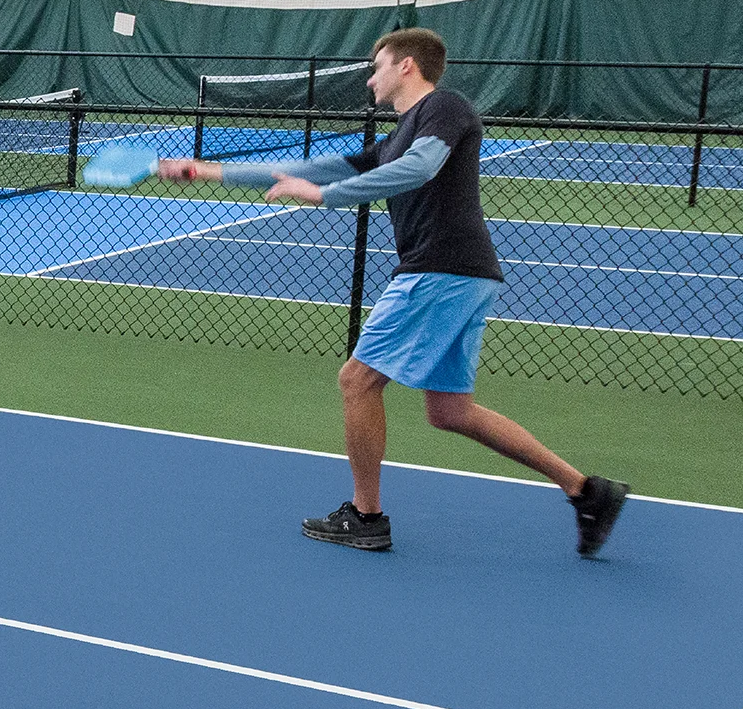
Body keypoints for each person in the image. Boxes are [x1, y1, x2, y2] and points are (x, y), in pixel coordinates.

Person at [155, 28, 628, 554]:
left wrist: (326, 196)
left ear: (406, 66)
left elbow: (418, 169)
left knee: (357, 381)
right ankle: (587, 491)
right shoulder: (394, 138)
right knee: (449, 411)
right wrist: (206, 170)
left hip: (440, 269)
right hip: (464, 274)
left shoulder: (445, 108)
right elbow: (305, 169)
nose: (369, 77)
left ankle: (366, 515)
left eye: (376, 66)